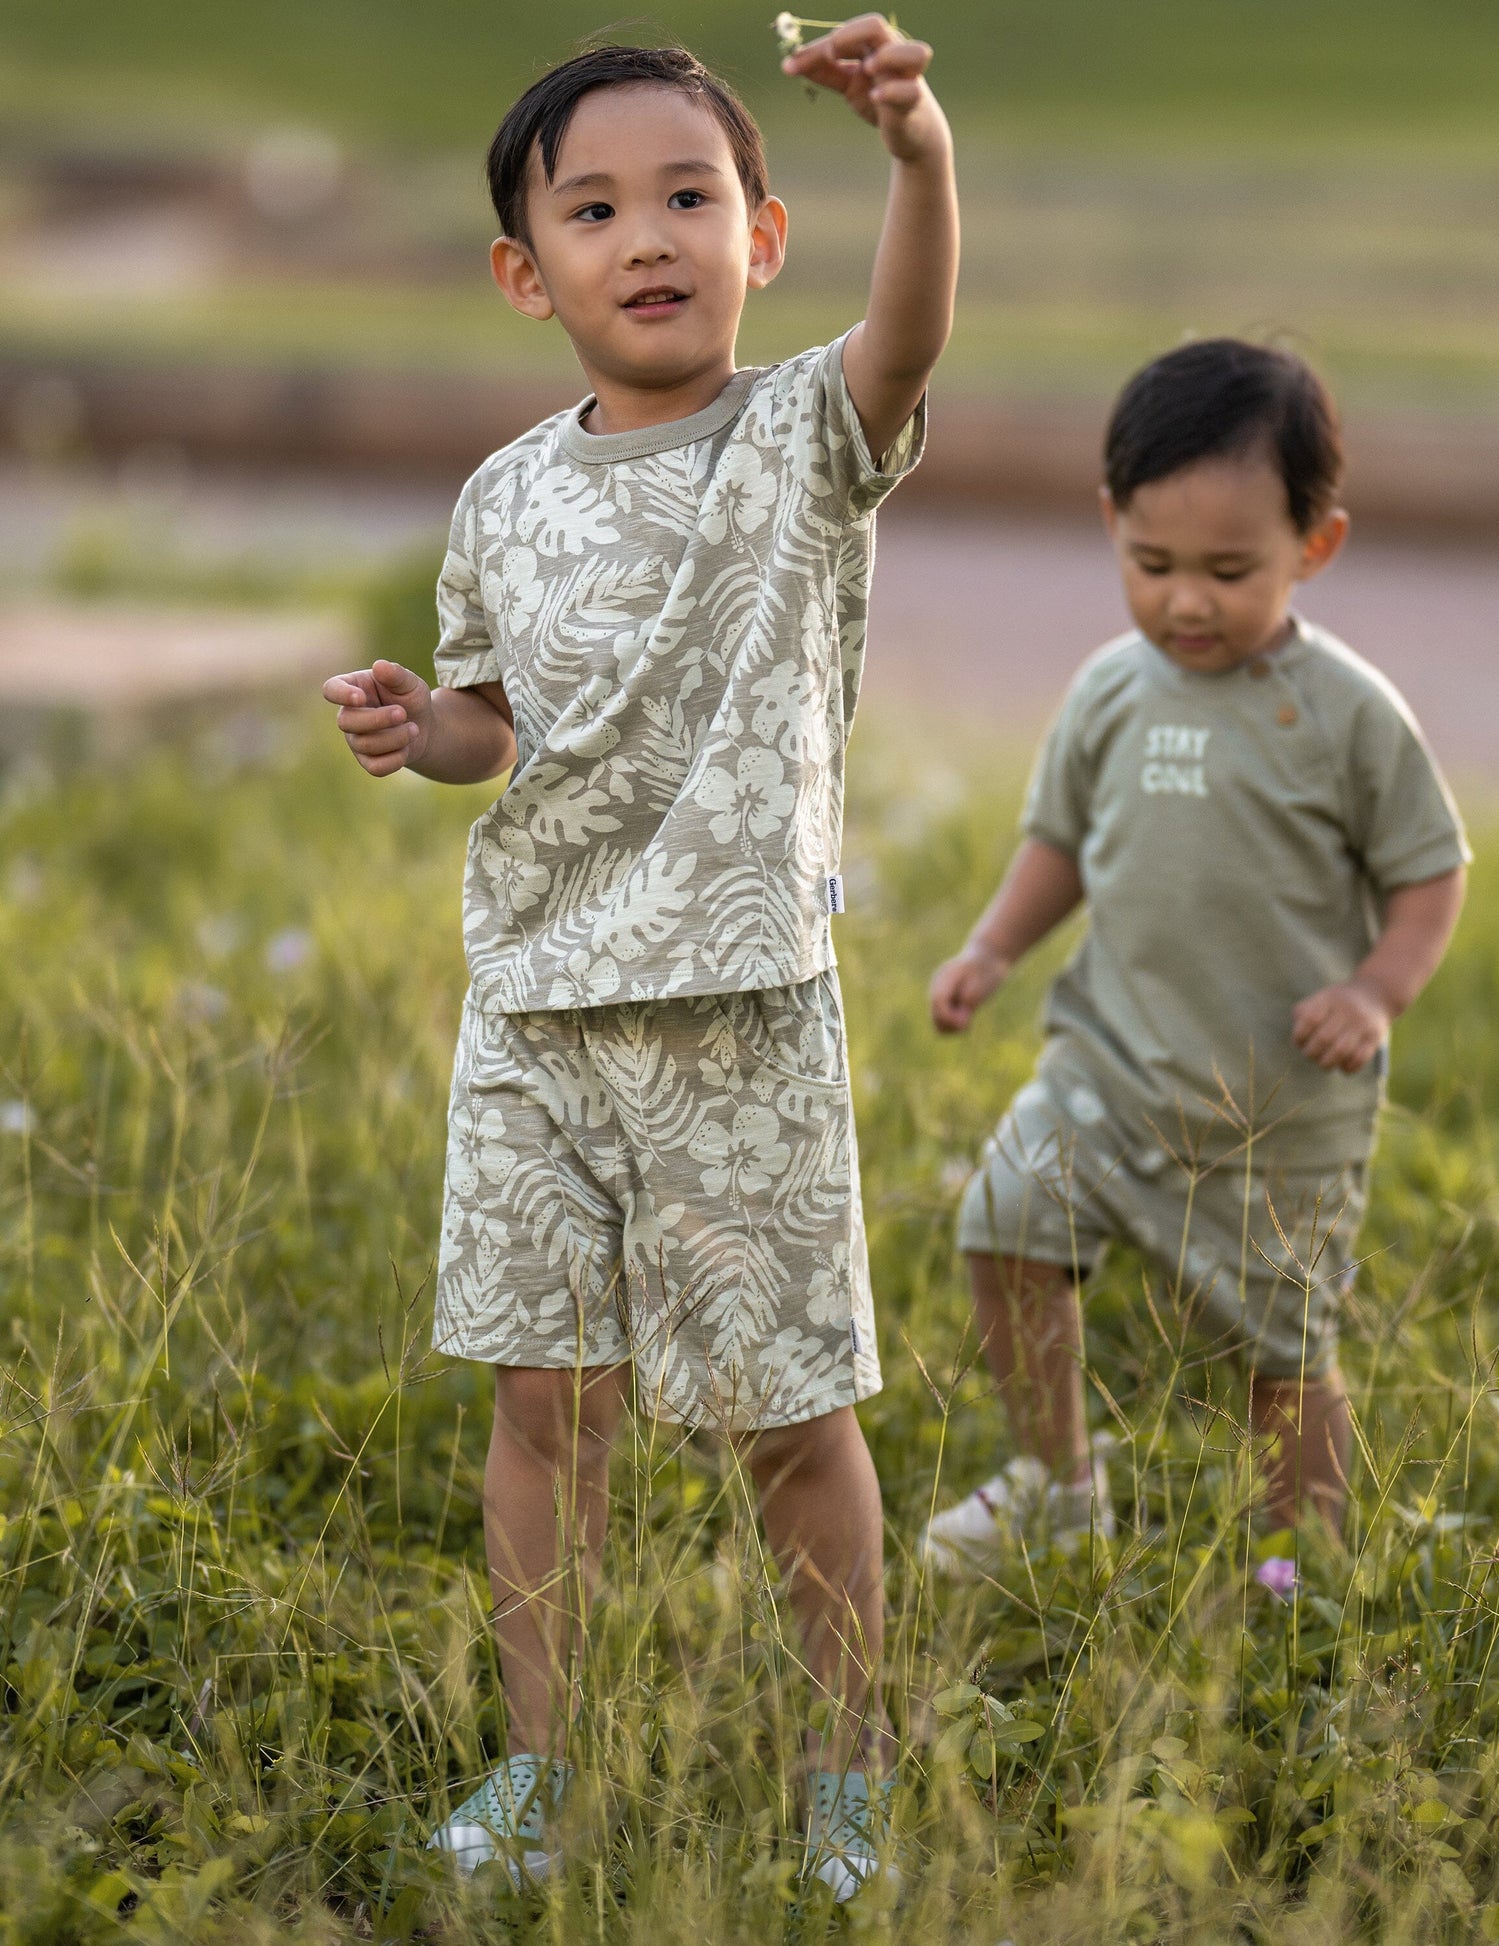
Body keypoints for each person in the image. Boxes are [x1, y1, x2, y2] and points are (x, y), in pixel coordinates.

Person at [321, 19, 955, 1897]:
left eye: (690, 195)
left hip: (734, 1007)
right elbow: (491, 726)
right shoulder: (503, 492)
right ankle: (539, 1765)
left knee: (783, 1417)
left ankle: (851, 1764)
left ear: (764, 235)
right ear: (530, 274)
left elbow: (909, 336)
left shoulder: (804, 437)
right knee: (543, 1401)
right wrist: (413, 726)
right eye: (593, 209)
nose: (647, 234)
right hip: (530, 1004)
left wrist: (915, 150)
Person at [923, 339, 1467, 1592]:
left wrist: (1374, 988)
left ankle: (1308, 1563)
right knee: (1001, 1226)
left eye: (1230, 571)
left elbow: (1430, 871)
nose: (1185, 602)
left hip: (1273, 1113)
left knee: (1281, 1350)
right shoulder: (1110, 691)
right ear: (1110, 522)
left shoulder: (1345, 713)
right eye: (1151, 563)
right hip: (1105, 1071)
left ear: (1313, 547)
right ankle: (1055, 1482)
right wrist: (993, 945)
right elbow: (1062, 838)